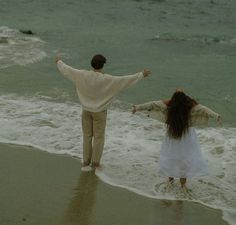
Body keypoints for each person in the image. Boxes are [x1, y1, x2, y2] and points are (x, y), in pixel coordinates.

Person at [56, 54, 150, 171]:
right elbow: (125, 81)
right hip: (99, 112)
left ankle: (85, 163)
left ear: (92, 64)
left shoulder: (82, 74)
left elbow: (67, 70)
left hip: (86, 110)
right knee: (99, 138)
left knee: (87, 136)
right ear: (103, 65)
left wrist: (59, 62)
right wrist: (141, 75)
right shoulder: (107, 79)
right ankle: (95, 164)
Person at [132, 89, 221, 188]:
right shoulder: (190, 106)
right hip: (187, 136)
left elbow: (152, 104)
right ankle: (183, 185)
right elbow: (204, 110)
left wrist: (137, 107)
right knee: (185, 159)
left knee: (171, 157)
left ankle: (170, 181)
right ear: (185, 97)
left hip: (172, 135)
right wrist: (216, 115)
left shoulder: (169, 106)